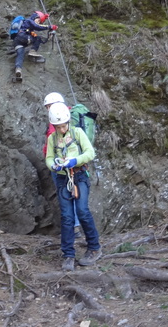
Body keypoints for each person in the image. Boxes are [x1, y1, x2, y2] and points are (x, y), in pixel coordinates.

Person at [45, 102, 101, 271]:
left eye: (63, 126)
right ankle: (68, 255)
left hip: (80, 176)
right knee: (67, 217)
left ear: (68, 122)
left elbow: (90, 153)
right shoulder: (52, 138)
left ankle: (94, 248)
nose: (62, 130)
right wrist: (54, 165)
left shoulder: (78, 133)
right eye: (58, 127)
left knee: (82, 211)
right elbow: (48, 158)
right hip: (63, 179)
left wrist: (74, 161)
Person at [42, 92, 81, 236]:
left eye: (48, 106)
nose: (48, 110)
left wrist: (50, 160)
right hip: (76, 163)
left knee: (66, 196)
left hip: (61, 165)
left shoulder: (58, 121)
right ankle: (75, 227)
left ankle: (73, 228)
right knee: (74, 193)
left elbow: (51, 144)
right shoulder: (71, 116)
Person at [12, 11, 57, 80]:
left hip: (16, 41)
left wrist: (48, 37)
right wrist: (50, 27)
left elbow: (41, 40)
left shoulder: (28, 28)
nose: (38, 22)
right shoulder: (29, 21)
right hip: (23, 37)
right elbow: (37, 27)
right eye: (38, 20)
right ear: (34, 17)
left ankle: (18, 70)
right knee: (37, 38)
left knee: (20, 54)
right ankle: (32, 51)